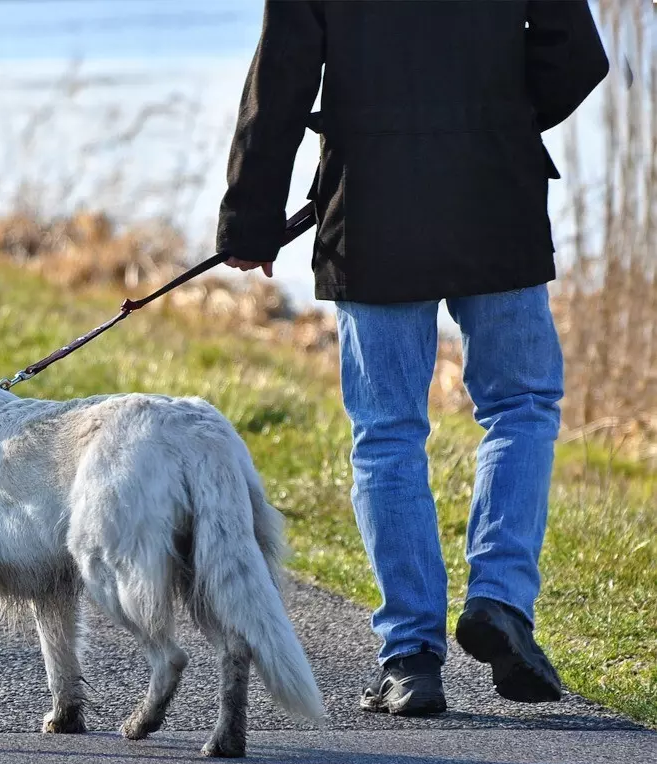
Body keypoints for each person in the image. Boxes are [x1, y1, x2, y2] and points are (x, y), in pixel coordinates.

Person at [216, 1, 608, 716]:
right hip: (498, 195)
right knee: (521, 406)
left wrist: (250, 216)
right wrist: (499, 119)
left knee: (388, 430)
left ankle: (410, 658)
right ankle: (500, 599)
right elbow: (577, 57)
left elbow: (282, 78)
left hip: (373, 210)